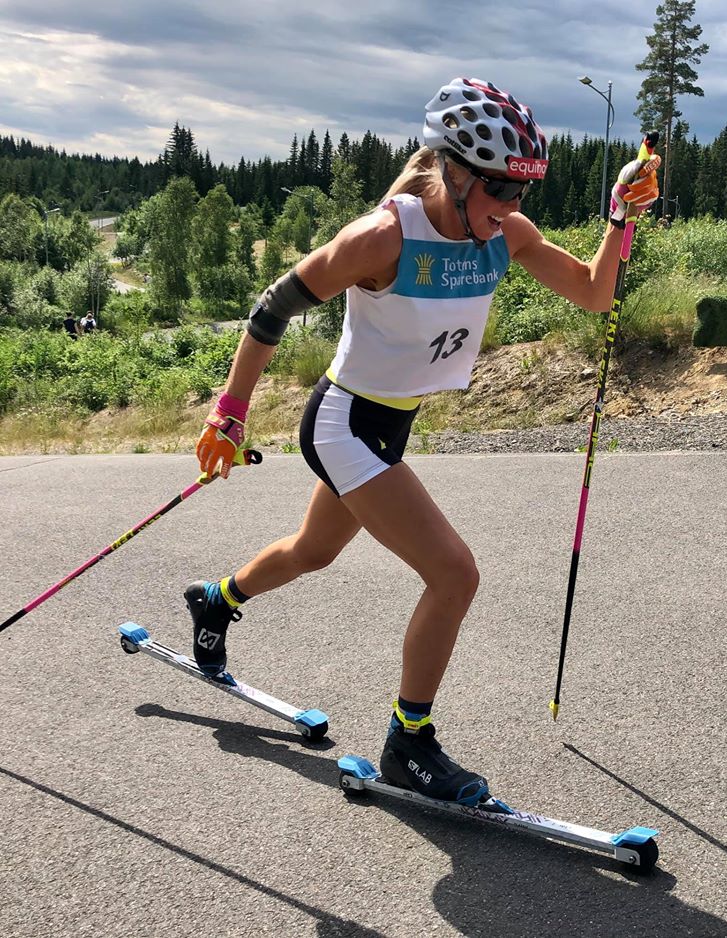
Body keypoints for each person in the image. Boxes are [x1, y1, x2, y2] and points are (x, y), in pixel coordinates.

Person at [184, 77, 660, 806]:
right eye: (500, 187)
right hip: (344, 421)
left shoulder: (507, 234)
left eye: (523, 191)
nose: (512, 206)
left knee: (313, 551)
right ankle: (409, 742)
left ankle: (217, 601)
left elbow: (596, 292)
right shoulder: (382, 238)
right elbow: (271, 306)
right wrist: (229, 412)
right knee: (455, 574)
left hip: (390, 424)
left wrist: (620, 216)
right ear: (457, 172)